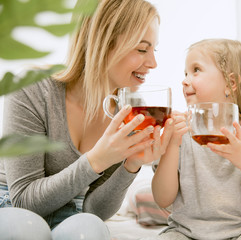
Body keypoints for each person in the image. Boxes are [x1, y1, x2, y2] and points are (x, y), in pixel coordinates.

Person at [0, 0, 174, 239]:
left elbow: (95, 210)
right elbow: (24, 200)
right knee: (28, 229)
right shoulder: (33, 89)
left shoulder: (125, 110)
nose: (153, 63)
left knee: (90, 228)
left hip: (71, 210)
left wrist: (130, 165)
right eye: (142, 49)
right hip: (11, 206)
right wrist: (97, 159)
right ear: (102, 43)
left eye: (154, 50)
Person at [147, 39, 241, 240]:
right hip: (186, 233)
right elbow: (162, 199)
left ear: (231, 84)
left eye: (196, 70)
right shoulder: (180, 134)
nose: (185, 80)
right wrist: (172, 145)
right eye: (185, 73)